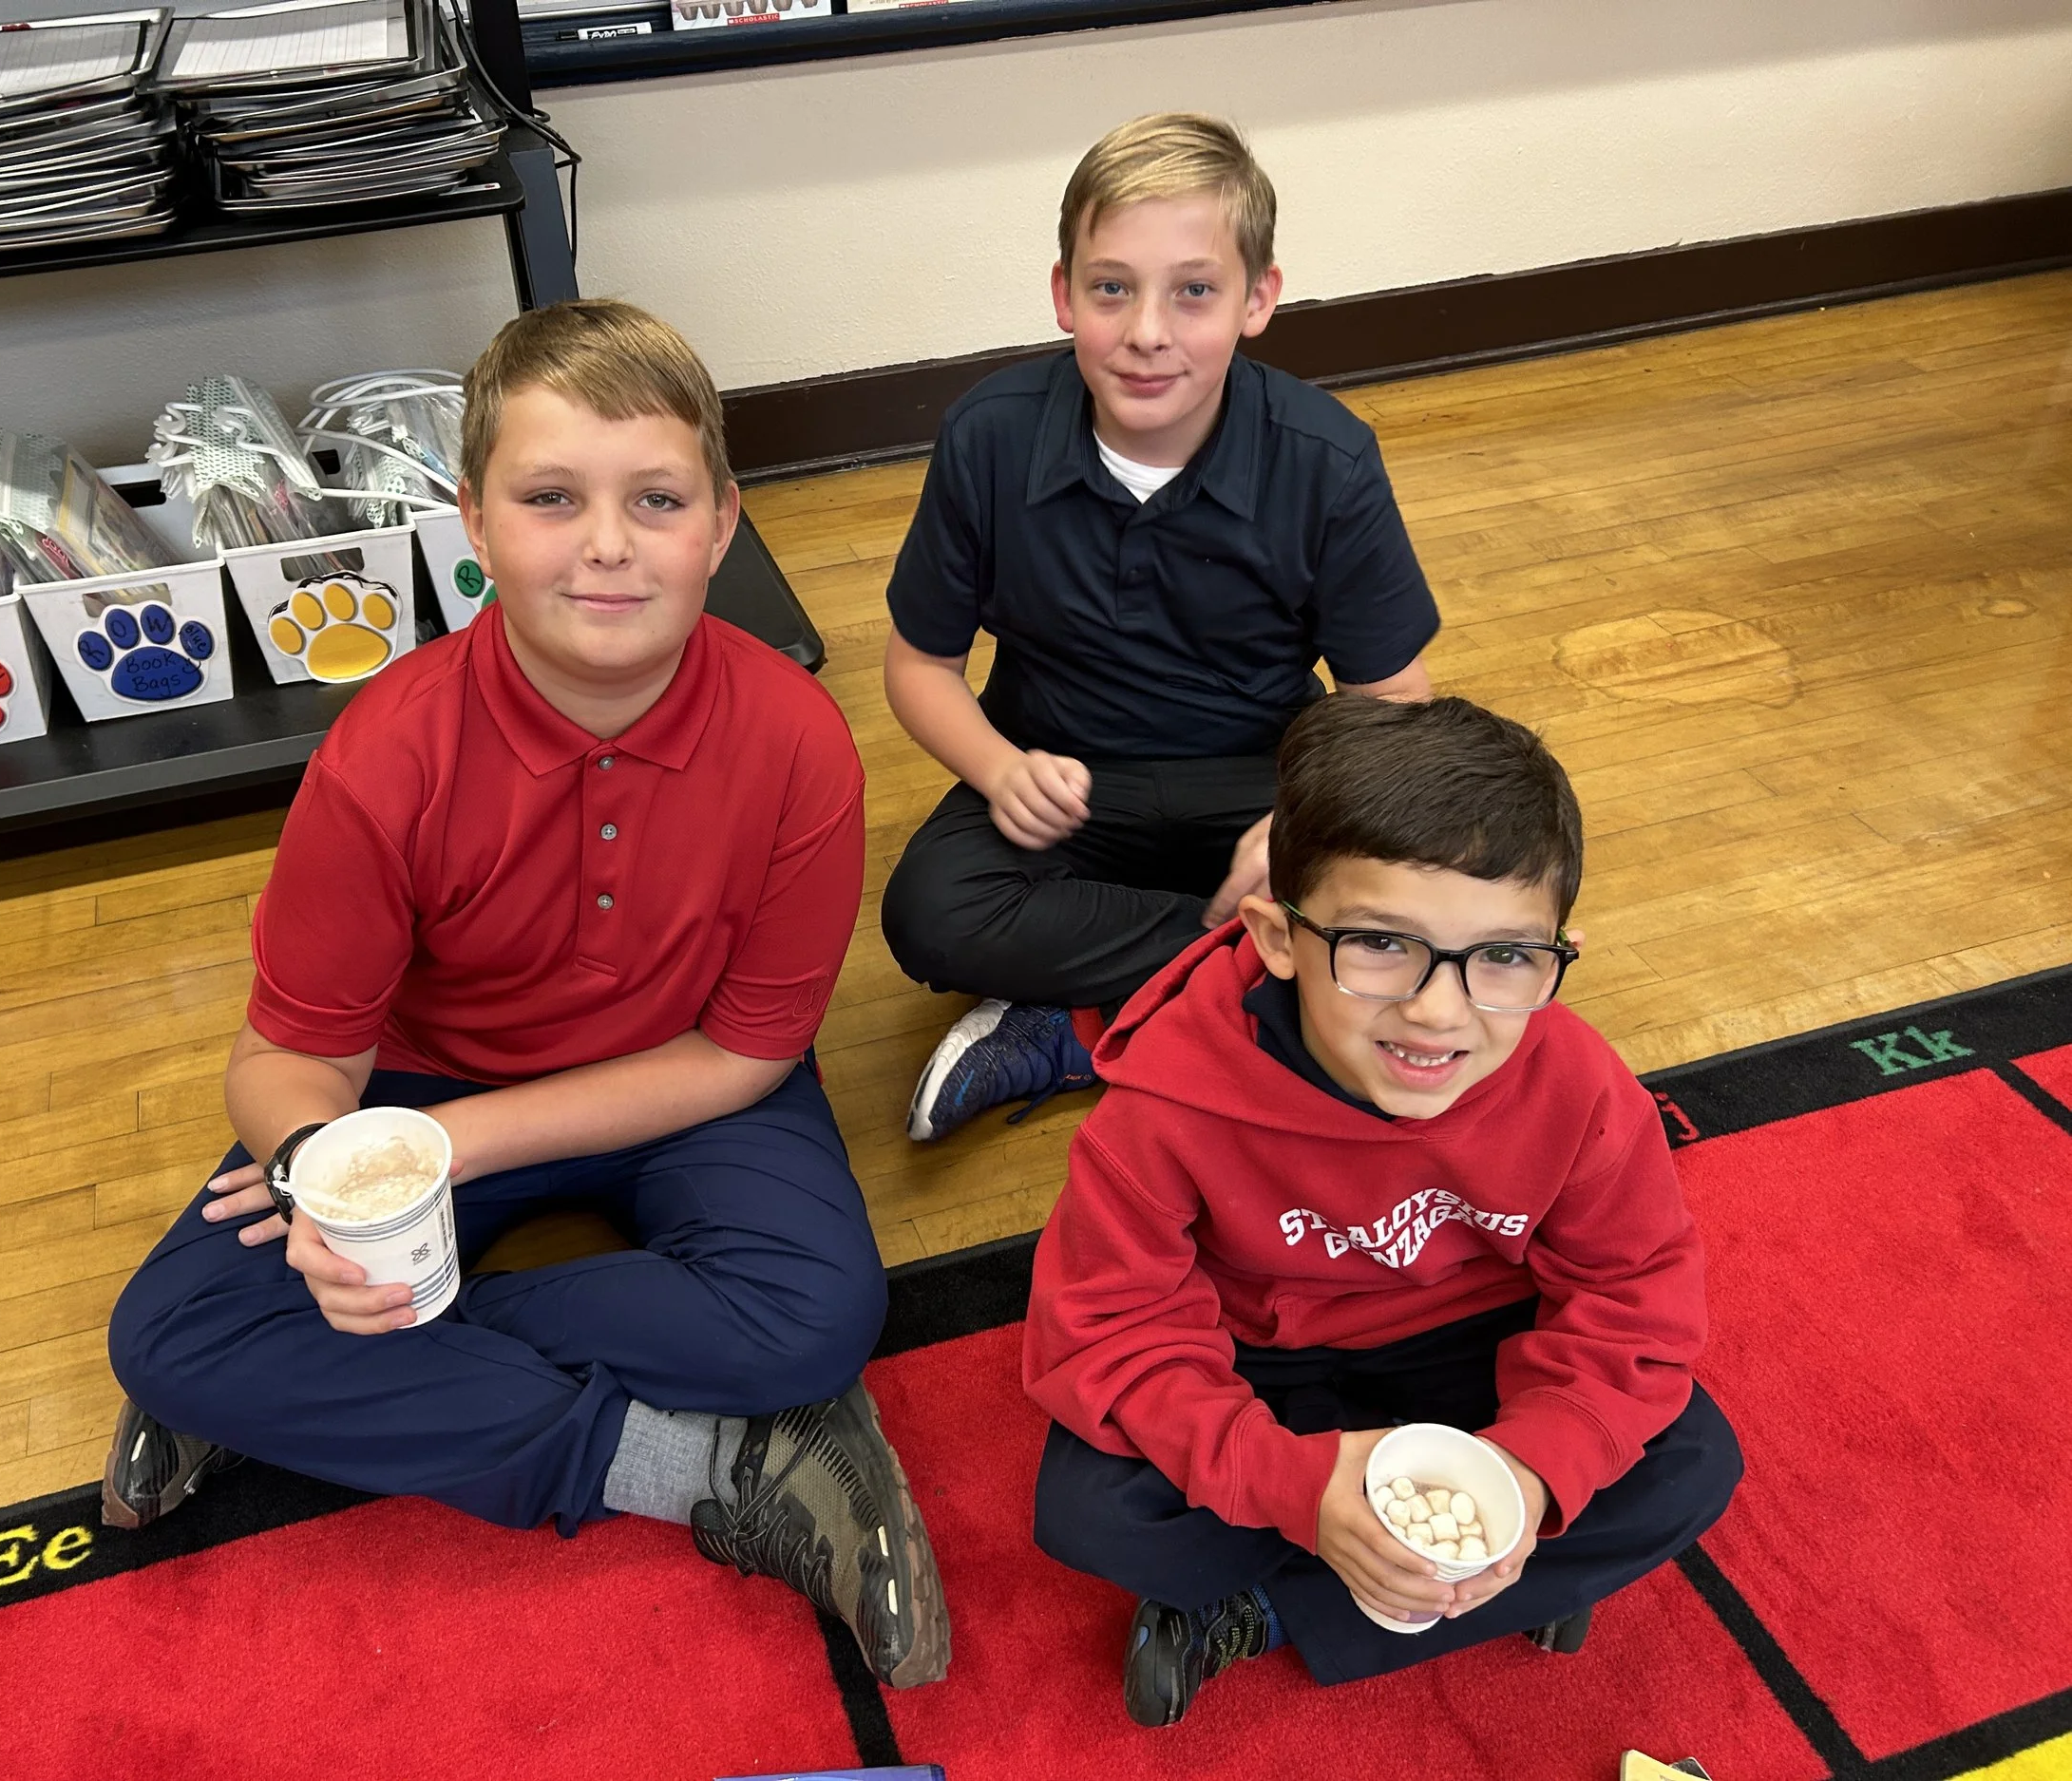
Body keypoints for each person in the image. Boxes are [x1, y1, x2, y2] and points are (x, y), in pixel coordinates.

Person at [103, 299, 948, 1691]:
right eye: (552, 498)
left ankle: (312, 1388)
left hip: (687, 1084)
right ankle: (714, 1466)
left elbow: (748, 1053)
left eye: (656, 499)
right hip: (417, 1085)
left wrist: (442, 1159)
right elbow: (285, 1058)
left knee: (817, 1314)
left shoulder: (799, 739)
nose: (607, 542)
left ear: (721, 525)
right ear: (474, 524)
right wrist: (321, 1162)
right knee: (169, 1334)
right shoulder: (385, 754)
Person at [1024, 694, 1740, 1721]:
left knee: (1691, 1464)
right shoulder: (1161, 1105)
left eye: (1505, 956)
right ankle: (1511, 1580)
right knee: (1093, 1513)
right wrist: (1291, 1484)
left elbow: (1636, 1294)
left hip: (1475, 1346)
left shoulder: (1580, 1086)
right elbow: (1110, 1328)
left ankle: (1263, 1612)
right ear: (1277, 936)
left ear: (1556, 953)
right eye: (1377, 943)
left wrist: (1534, 1473)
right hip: (1260, 1355)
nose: (1437, 1010)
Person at [882, 112, 1438, 1142]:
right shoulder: (987, 437)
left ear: (1257, 300)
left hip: (1256, 781)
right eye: (1111, 288)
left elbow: (1395, 703)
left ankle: (1085, 1017)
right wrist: (1000, 770)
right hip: (1064, 779)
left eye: (1193, 291)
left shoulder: (1327, 458)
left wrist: (1296, 828)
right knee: (929, 912)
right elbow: (920, 664)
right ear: (1063, 295)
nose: (1147, 331)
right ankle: (1270, 972)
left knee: (1423, 881)